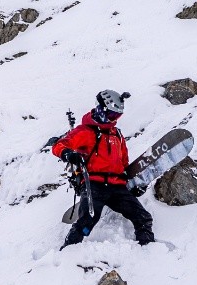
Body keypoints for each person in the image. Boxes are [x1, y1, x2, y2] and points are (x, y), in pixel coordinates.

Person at [52, 89, 156, 248]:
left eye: (117, 116)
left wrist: (131, 185)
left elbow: (123, 163)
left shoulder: (117, 135)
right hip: (93, 185)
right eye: (112, 115)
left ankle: (147, 251)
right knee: (87, 221)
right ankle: (67, 254)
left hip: (117, 187)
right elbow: (59, 145)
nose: (114, 119)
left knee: (143, 217)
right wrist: (68, 154)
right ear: (101, 109)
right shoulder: (85, 131)